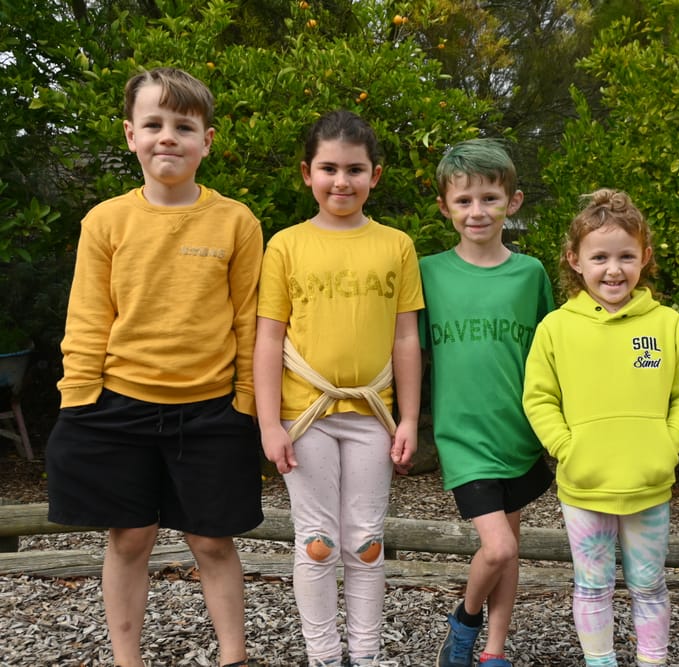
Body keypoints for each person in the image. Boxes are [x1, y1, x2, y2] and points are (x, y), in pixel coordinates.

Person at [45, 67, 264, 667]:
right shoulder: (106, 221)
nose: (168, 136)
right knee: (130, 536)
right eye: (154, 124)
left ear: (207, 140)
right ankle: (126, 658)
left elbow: (249, 319)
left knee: (212, 540)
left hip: (212, 408)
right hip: (117, 403)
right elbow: (88, 317)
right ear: (130, 135)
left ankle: (233, 656)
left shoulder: (237, 221)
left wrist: (247, 400)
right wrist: (78, 398)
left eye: (183, 126)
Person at [254, 110, 423, 667]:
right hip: (306, 414)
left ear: (376, 175)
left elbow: (405, 337)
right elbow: (268, 337)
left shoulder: (396, 245)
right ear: (307, 173)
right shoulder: (285, 245)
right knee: (317, 540)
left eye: (355, 169)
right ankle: (324, 655)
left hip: (373, 414)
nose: (341, 182)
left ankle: (367, 655)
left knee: (367, 542)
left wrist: (409, 419)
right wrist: (269, 423)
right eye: (329, 168)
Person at [522, 189, 679, 667]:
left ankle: (653, 660)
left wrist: (667, 444)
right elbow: (540, 398)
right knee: (592, 586)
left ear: (644, 258)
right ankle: (600, 662)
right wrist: (568, 447)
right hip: (584, 487)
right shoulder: (556, 329)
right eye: (599, 256)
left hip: (649, 485)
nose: (613, 269)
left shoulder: (667, 325)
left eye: (626, 256)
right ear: (574, 261)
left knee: (649, 584)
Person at [419, 138, 555, 667]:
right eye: (464, 201)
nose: (477, 211)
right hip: (462, 436)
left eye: (489, 199)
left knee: (511, 547)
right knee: (496, 547)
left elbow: (548, 353)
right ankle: (465, 619)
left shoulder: (531, 273)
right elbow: (413, 351)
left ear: (512, 202)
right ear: (445, 207)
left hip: (518, 433)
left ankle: (494, 651)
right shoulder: (428, 272)